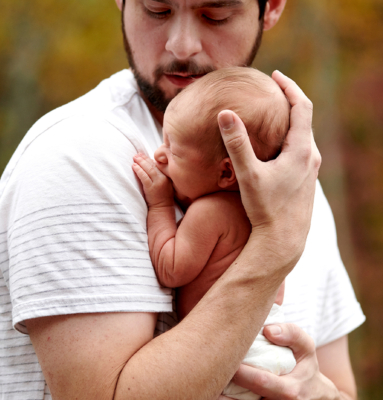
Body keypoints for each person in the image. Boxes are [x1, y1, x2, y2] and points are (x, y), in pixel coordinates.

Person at [0, 0, 365, 399]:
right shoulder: (81, 156)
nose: (181, 46)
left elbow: (343, 387)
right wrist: (275, 246)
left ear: (272, 8)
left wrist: (319, 394)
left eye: (215, 14)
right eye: (157, 9)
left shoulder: (295, 178)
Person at [132, 67, 297, 400]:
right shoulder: (262, 213)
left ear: (226, 172)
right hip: (266, 347)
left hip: (238, 356)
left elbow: (171, 269)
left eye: (174, 151)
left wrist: (161, 204)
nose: (160, 155)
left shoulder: (210, 212)